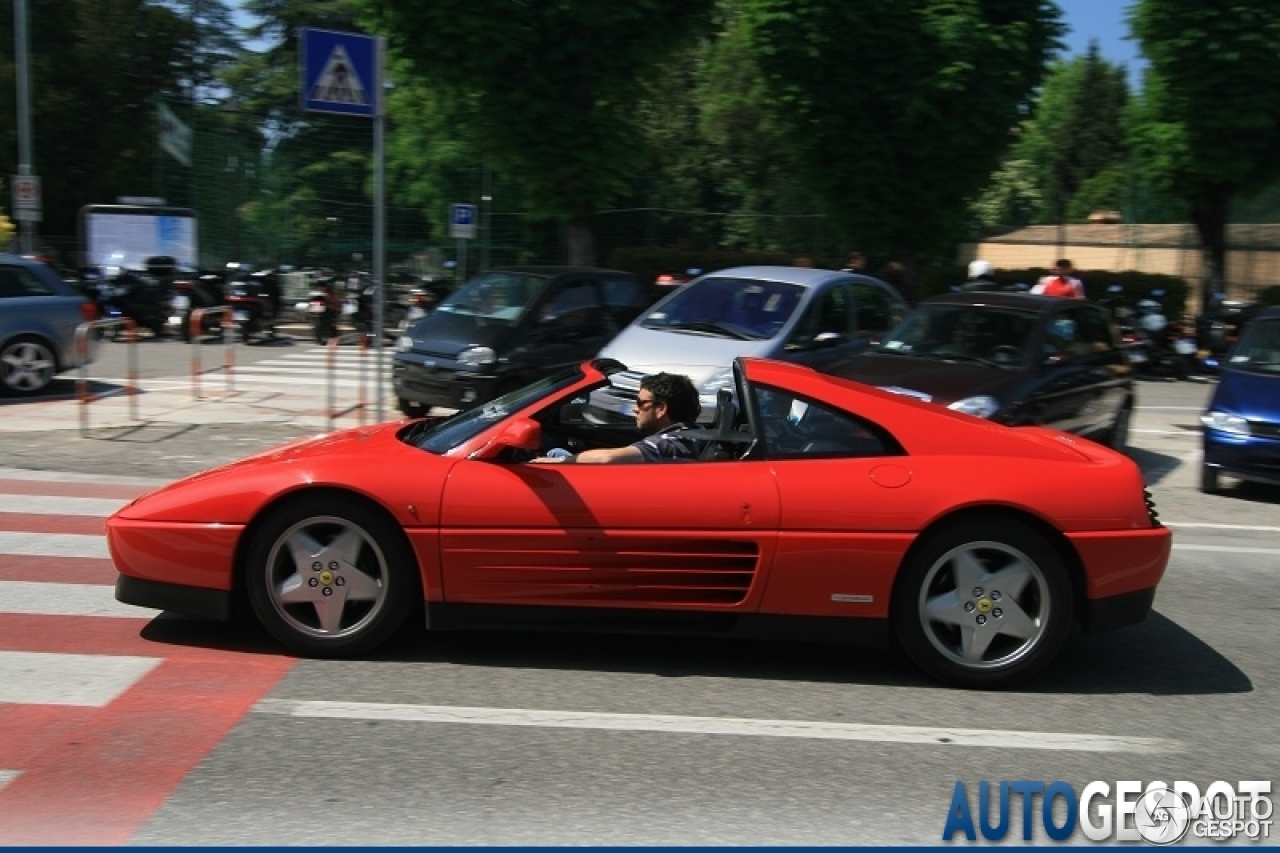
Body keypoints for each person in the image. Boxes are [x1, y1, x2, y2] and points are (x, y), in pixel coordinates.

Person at [533, 372, 704, 463]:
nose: (634, 409)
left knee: (555, 455)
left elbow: (608, 458)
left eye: (640, 402)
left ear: (660, 409)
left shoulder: (666, 444)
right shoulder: (694, 433)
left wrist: (561, 462)